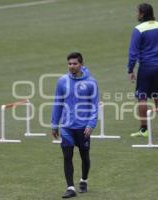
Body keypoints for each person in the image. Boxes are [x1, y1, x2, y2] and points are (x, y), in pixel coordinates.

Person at [51, 52, 99, 198]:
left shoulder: (91, 82)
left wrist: (91, 124)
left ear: (81, 65)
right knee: (67, 156)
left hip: (83, 127)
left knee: (85, 157)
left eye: (74, 64)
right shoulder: (62, 81)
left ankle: (83, 180)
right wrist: (54, 124)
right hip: (67, 127)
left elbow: (95, 105)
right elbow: (57, 103)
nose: (71, 66)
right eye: (69, 64)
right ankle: (70, 187)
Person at [127, 3, 158, 137]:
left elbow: (133, 52)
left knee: (142, 97)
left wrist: (130, 69)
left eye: (138, 12)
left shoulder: (138, 29)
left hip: (146, 67)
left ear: (142, 13)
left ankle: (144, 129)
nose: (137, 14)